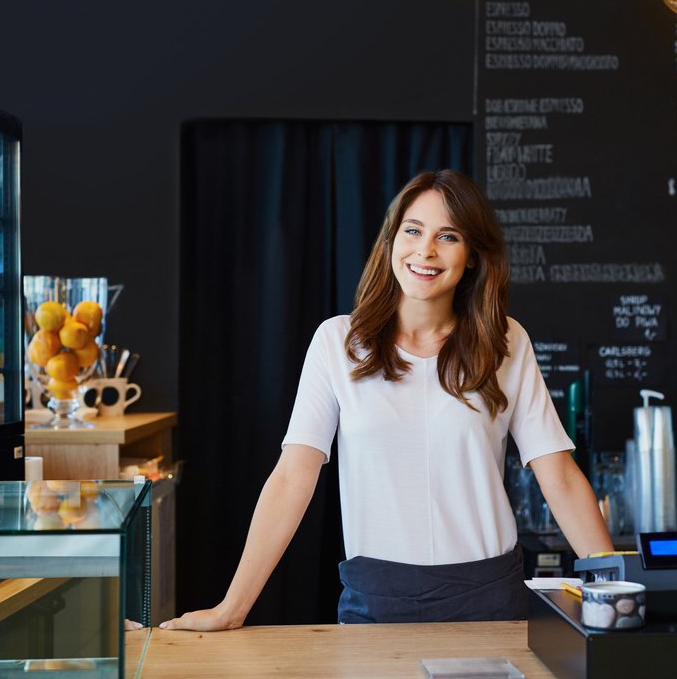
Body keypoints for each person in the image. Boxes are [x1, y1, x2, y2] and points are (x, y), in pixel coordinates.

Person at [161, 169, 612, 630]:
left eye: (448, 236)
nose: (425, 251)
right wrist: (231, 609)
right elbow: (292, 479)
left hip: (491, 598)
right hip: (376, 603)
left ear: (473, 255)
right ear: (391, 240)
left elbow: (558, 475)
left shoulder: (505, 342)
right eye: (413, 231)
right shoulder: (338, 342)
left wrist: (612, 592)